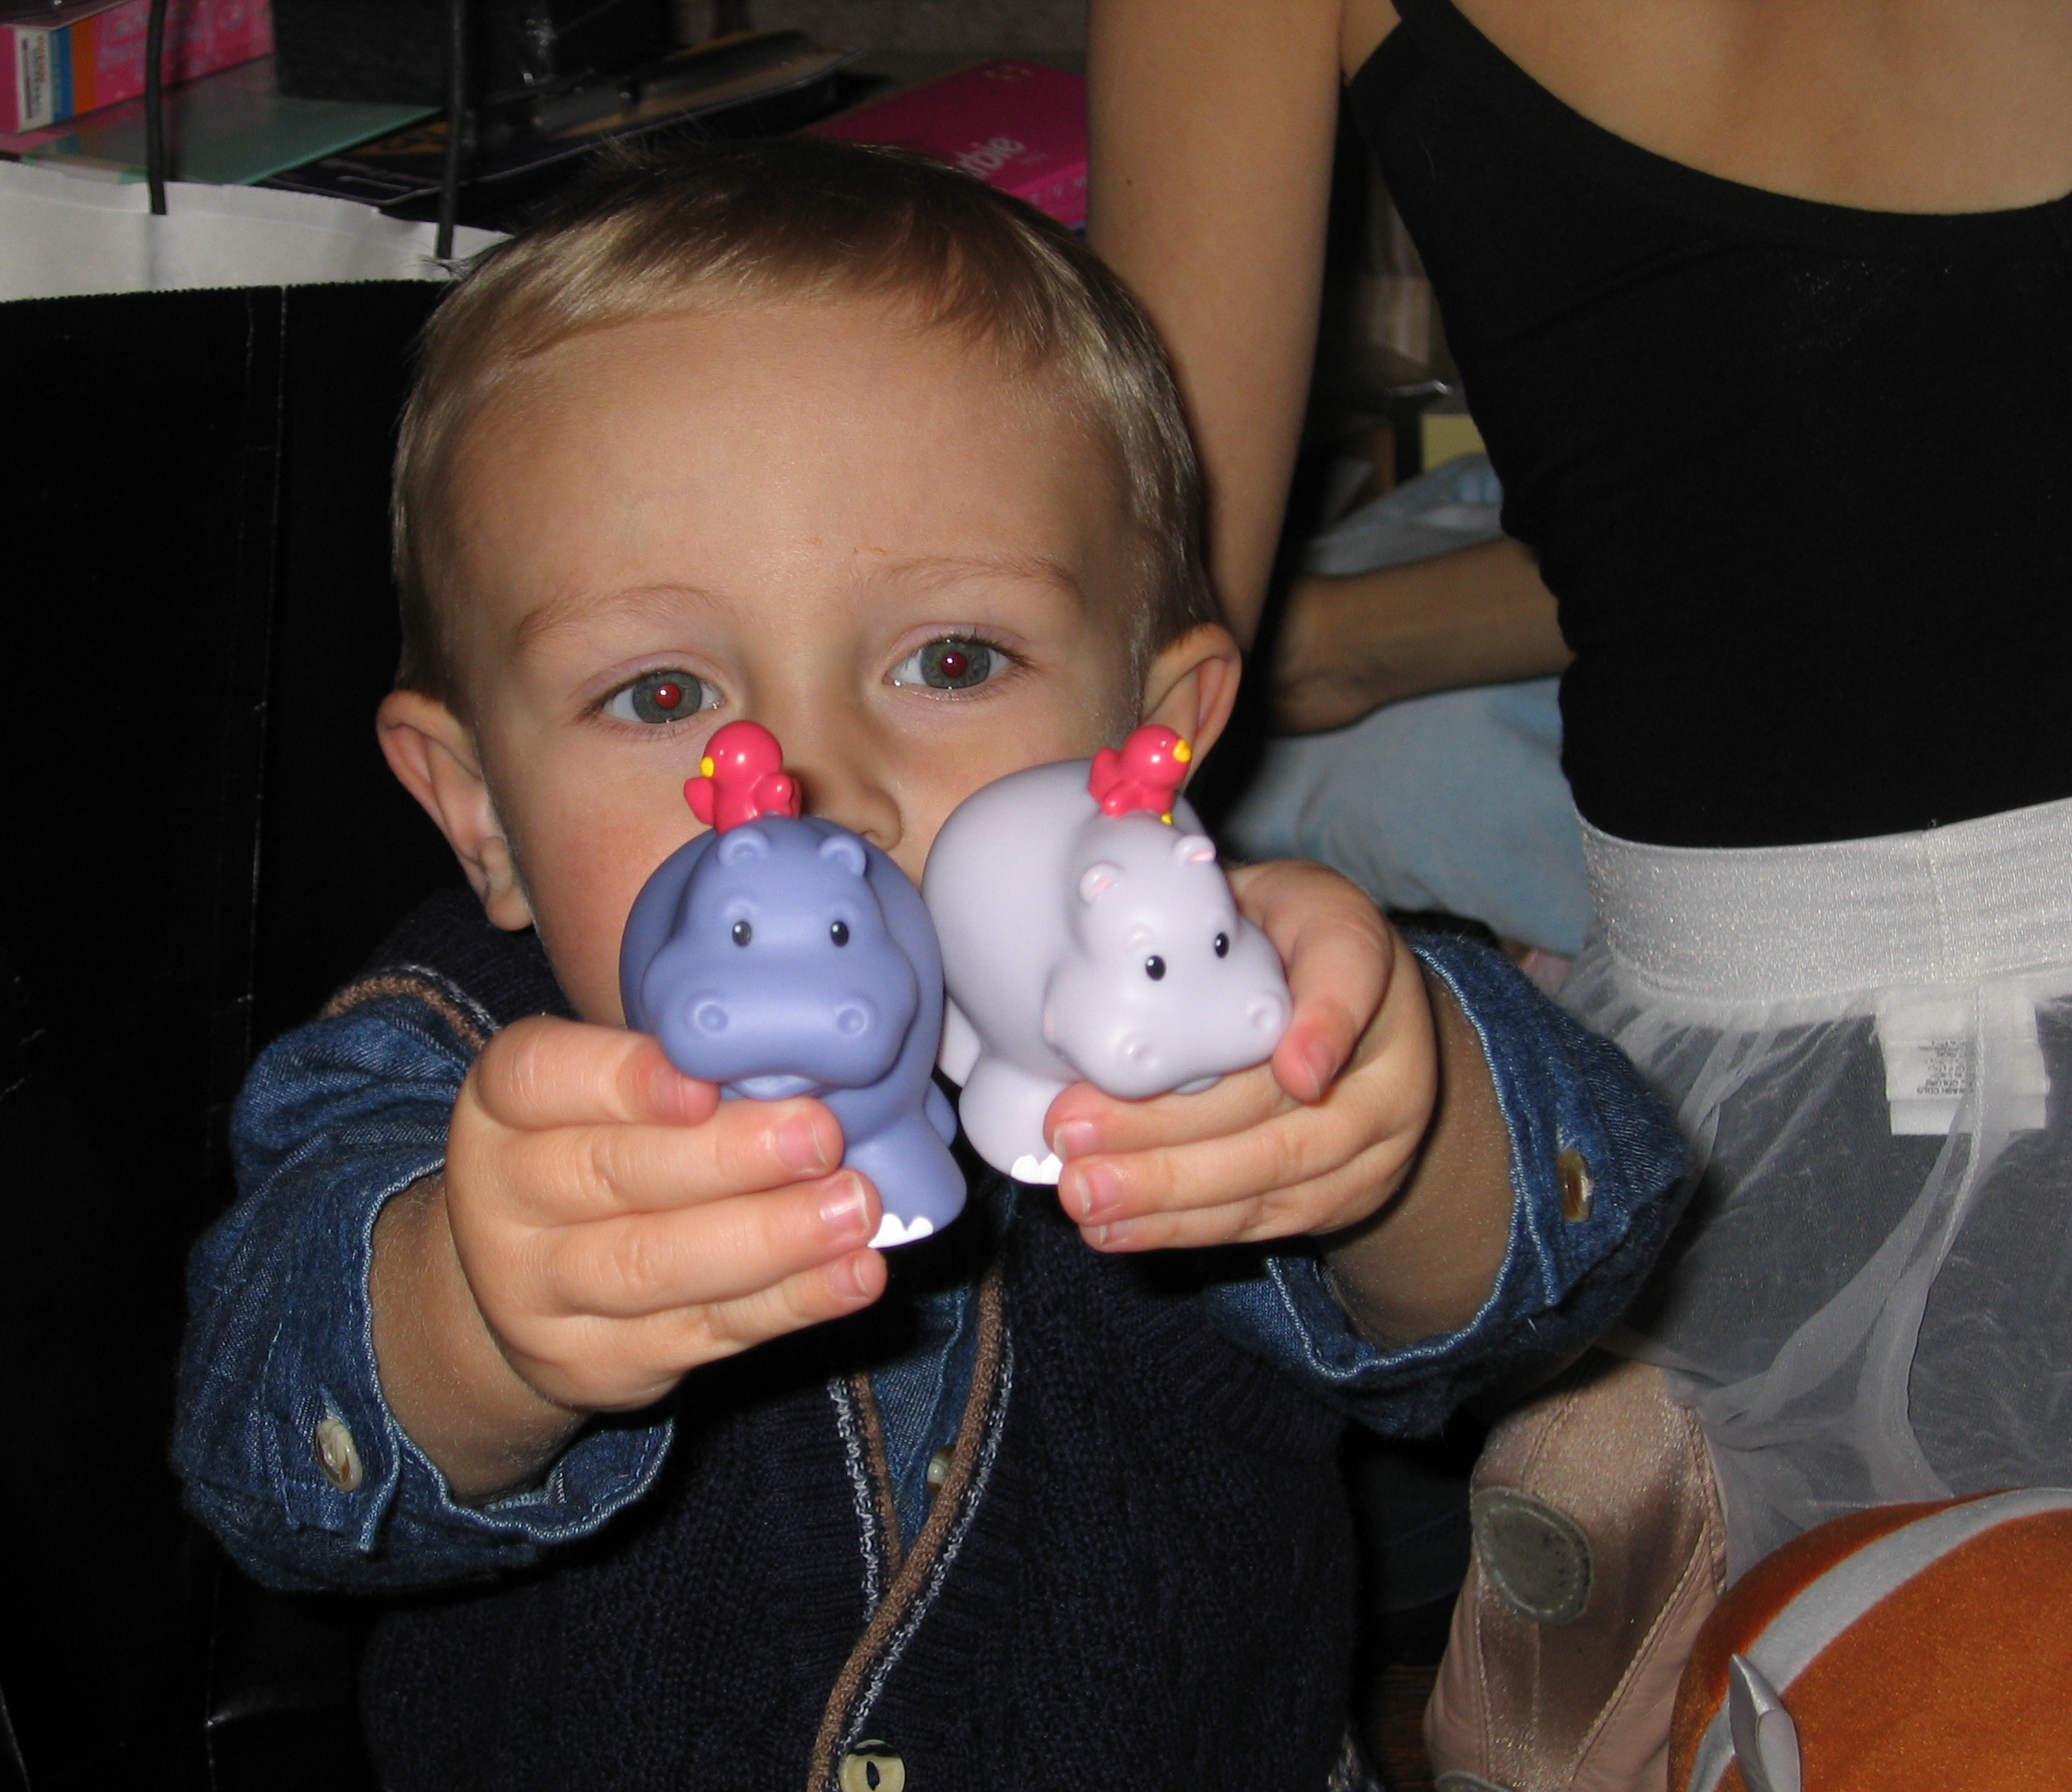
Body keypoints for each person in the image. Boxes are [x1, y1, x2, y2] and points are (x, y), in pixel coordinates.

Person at [171, 139, 1687, 1791]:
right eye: (663, 695)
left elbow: (1566, 1262)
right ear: (481, 814)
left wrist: (1400, 1113)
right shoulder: (441, 1061)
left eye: (952, 660)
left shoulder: (1203, 1001)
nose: (827, 790)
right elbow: (264, 1462)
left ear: (1155, 739)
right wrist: (469, 1314)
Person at [1089, 2, 2072, 1786]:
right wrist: (1353, 648)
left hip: (1748, 1158)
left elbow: (1122, 704)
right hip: (1762, 1119)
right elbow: (1906, 467)